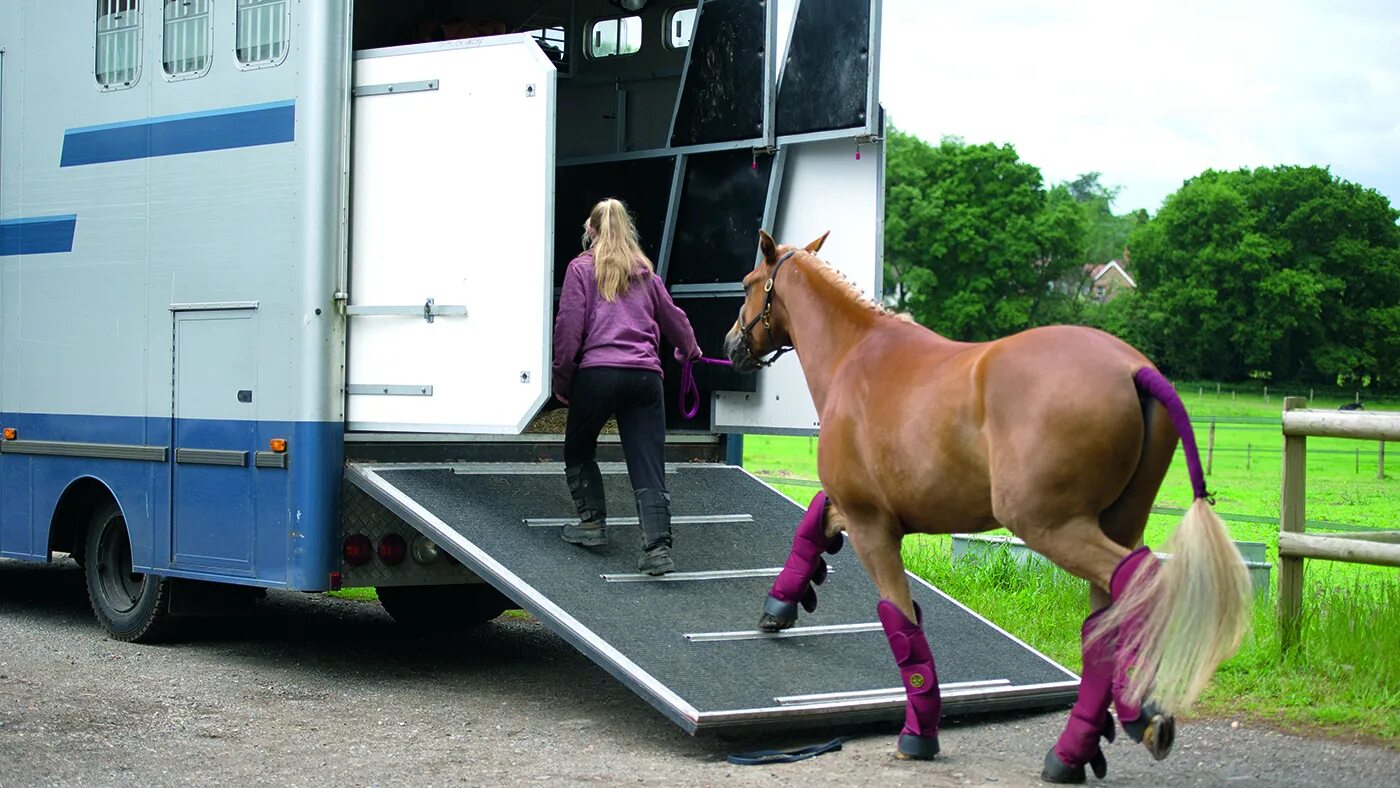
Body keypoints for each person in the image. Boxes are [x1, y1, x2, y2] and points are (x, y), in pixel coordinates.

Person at [552, 198, 701, 575]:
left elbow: (569, 329)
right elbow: (674, 319)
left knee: (579, 446)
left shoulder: (581, 268)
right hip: (645, 378)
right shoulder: (645, 273)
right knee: (647, 461)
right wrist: (690, 350)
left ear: (591, 230)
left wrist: (562, 379)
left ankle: (591, 525)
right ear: (626, 229)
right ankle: (658, 550)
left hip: (598, 374)